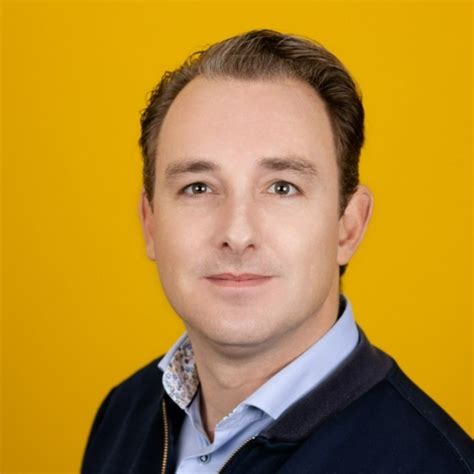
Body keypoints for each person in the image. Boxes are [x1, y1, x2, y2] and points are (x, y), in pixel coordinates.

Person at [81, 29, 473, 473]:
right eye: (198, 187)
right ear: (150, 222)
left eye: (282, 187)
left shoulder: (433, 464)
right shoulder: (123, 415)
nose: (237, 233)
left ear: (348, 226)